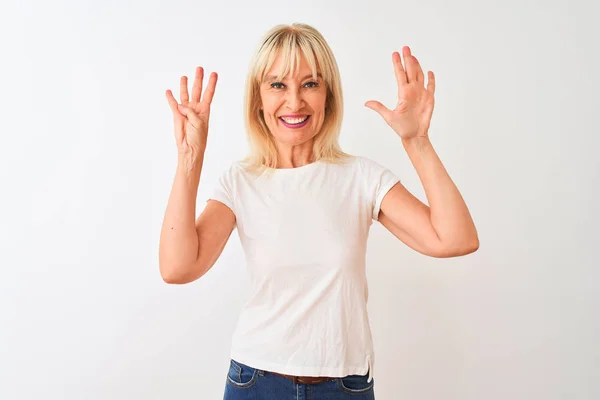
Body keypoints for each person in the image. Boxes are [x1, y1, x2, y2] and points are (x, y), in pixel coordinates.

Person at [159, 23, 479, 400]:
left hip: (345, 387)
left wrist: (416, 141)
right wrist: (189, 159)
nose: (294, 102)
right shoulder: (241, 181)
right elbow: (177, 268)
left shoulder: (360, 177)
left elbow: (456, 239)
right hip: (256, 383)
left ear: (328, 95)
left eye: (310, 84)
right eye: (277, 84)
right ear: (257, 99)